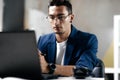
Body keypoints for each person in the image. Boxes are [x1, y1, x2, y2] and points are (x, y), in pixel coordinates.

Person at [37, 0, 98, 77]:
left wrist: (49, 68)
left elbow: (82, 70)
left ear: (71, 18)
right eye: (51, 17)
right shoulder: (42, 40)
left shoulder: (88, 40)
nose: (56, 22)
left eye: (61, 17)